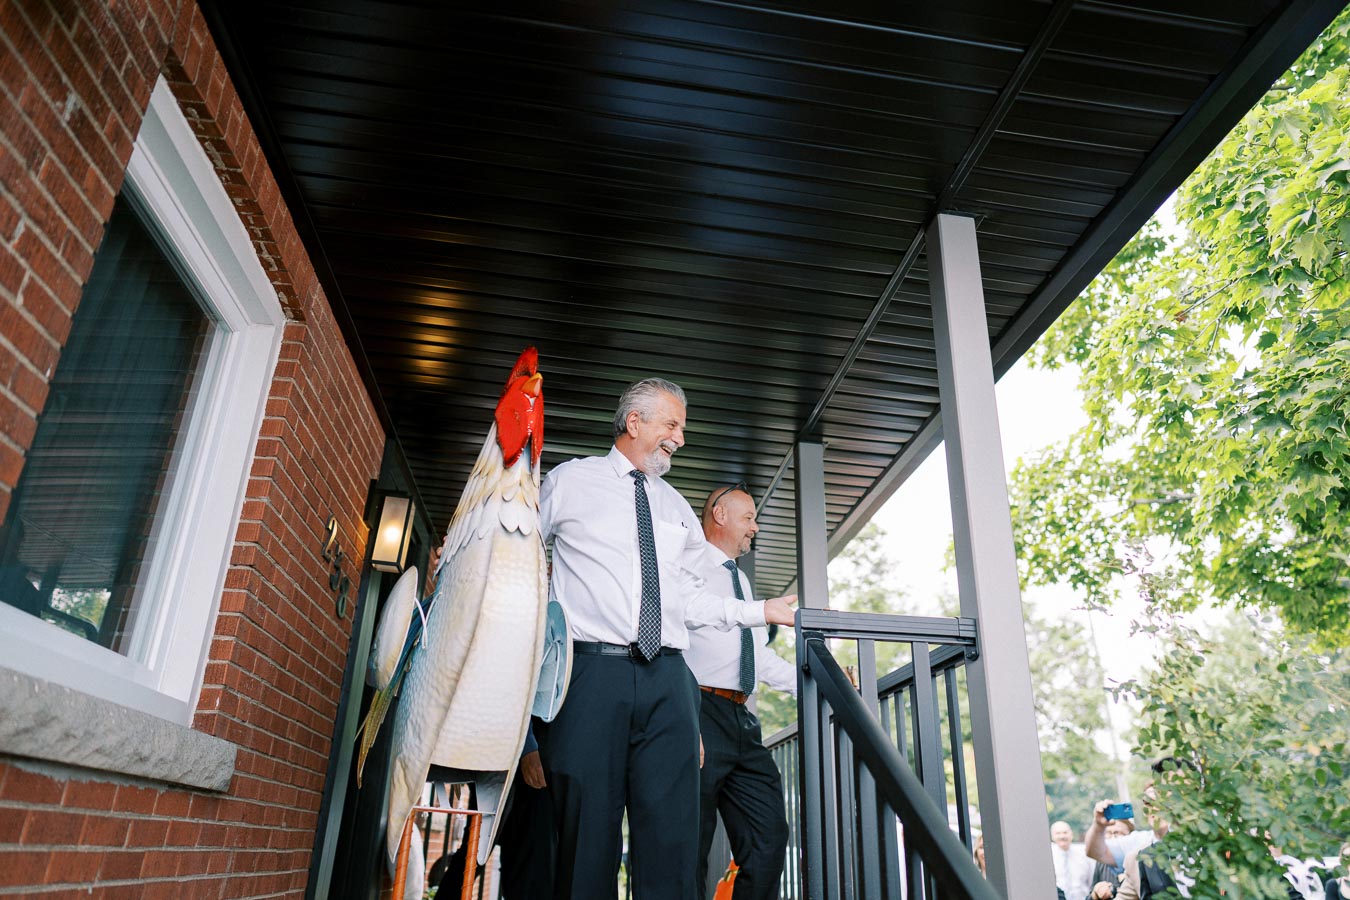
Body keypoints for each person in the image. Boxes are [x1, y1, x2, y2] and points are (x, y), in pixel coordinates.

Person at [536, 377, 798, 900]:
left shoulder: (676, 505)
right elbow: (520, 556)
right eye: (671, 424)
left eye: (682, 427)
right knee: (587, 839)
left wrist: (756, 611)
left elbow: (689, 602)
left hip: (671, 680)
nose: (680, 437)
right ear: (635, 422)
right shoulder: (570, 481)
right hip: (591, 674)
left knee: (674, 842)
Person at [687, 483, 797, 900]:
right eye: (749, 517)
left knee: (769, 838)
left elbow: (758, 659)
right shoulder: (689, 565)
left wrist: (812, 684)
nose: (756, 526)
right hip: (696, 710)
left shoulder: (741, 582)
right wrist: (679, 716)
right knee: (689, 846)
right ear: (720, 515)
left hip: (741, 720)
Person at [1052, 820, 1094, 900]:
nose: (1062, 836)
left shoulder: (1084, 854)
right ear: (1052, 836)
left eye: (1065, 832)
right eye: (1058, 833)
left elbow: (1092, 881)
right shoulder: (1050, 856)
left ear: (1071, 834)